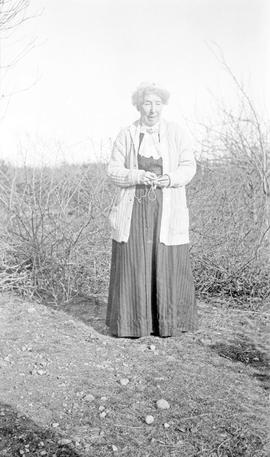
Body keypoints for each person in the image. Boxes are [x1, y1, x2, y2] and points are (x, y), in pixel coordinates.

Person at [106, 82, 198, 337]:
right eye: (148, 103)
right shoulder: (127, 134)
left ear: (163, 105)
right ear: (139, 105)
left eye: (157, 103)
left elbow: (189, 167)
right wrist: (136, 175)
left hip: (167, 207)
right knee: (135, 260)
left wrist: (169, 179)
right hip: (135, 207)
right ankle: (134, 324)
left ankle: (167, 324)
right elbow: (113, 170)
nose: (153, 109)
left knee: (165, 260)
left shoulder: (176, 133)